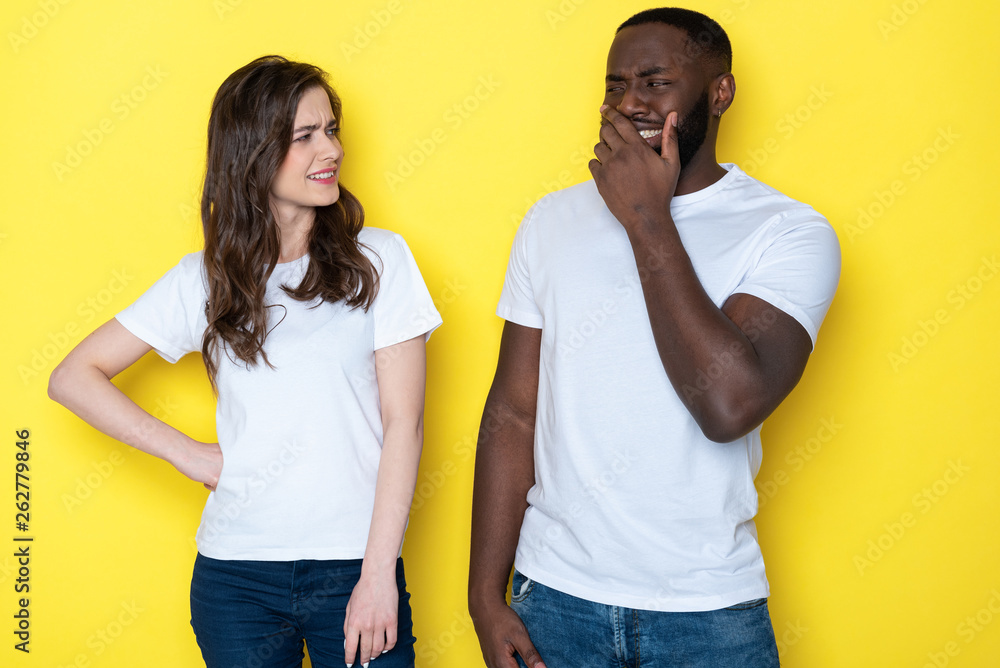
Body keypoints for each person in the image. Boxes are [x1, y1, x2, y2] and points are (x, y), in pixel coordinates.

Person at [469, 7, 840, 668]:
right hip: (552, 599)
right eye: (615, 85)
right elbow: (514, 411)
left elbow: (728, 405)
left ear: (720, 93)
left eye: (655, 82)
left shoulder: (788, 233)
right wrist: (483, 598)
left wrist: (646, 217)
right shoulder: (551, 220)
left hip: (708, 612)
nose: (630, 103)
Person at [48, 55, 440, 668]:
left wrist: (377, 575)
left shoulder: (379, 261)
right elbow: (72, 378)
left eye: (331, 129)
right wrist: (189, 454)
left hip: (354, 568)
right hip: (235, 579)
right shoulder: (204, 279)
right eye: (304, 136)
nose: (330, 150)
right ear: (252, 153)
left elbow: (404, 425)